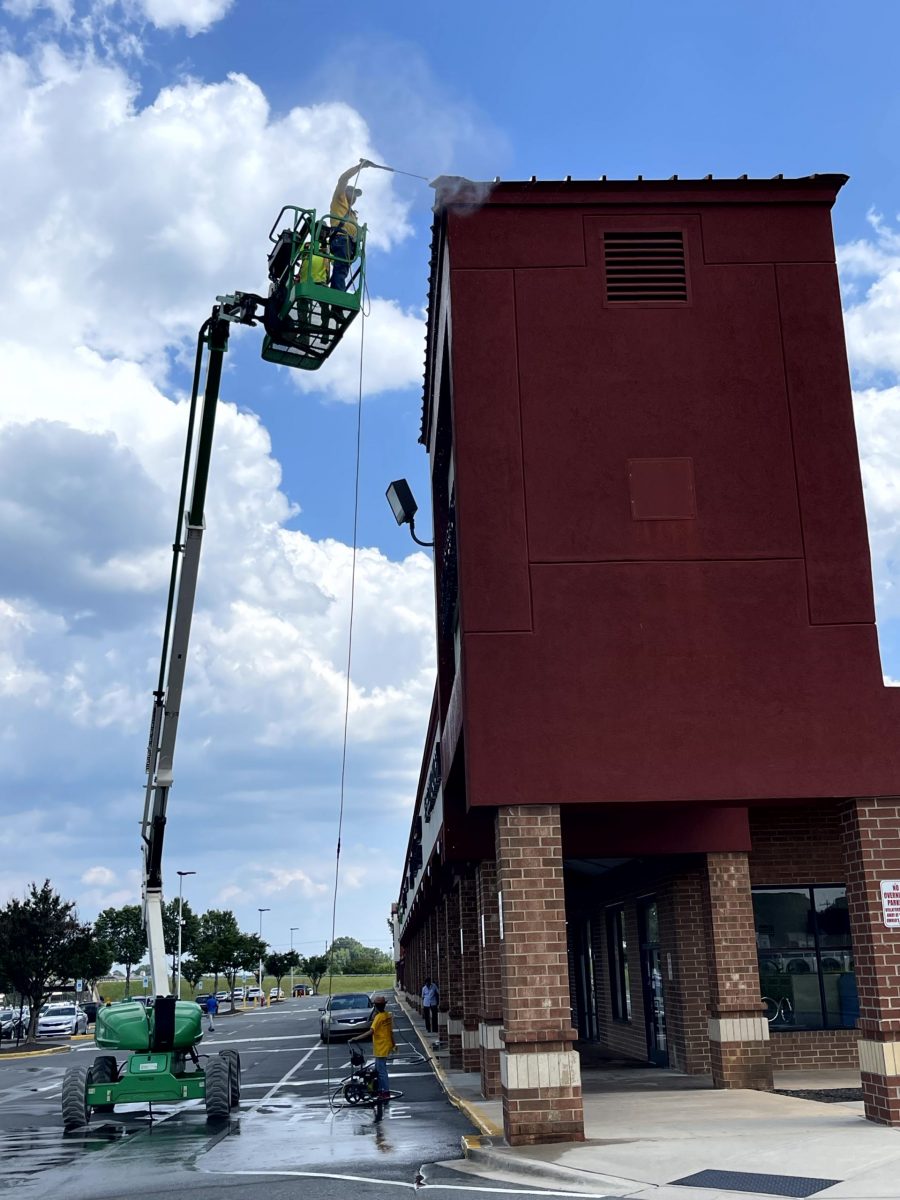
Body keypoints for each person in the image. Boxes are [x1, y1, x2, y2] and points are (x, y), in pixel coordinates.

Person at [329, 160, 373, 291]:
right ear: (346, 192)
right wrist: (360, 167)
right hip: (341, 239)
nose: (354, 197)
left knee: (342, 270)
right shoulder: (339, 198)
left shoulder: (352, 213)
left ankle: (338, 293)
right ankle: (338, 295)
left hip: (349, 243)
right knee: (341, 269)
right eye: (352, 193)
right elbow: (343, 179)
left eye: (356, 196)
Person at [350, 994, 396, 1101]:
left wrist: (356, 1038)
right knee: (378, 1070)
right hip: (386, 1046)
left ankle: (385, 1092)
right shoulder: (387, 1016)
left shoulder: (378, 1018)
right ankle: (380, 1089)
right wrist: (393, 1045)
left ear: (376, 1006)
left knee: (381, 1072)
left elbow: (371, 1031)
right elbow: (391, 1032)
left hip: (380, 1048)